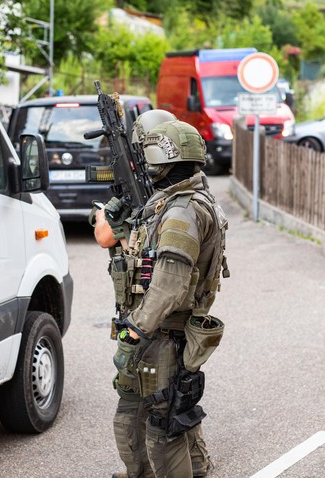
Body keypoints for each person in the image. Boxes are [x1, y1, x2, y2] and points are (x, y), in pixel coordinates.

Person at [92, 113, 228, 478]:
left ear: (160, 158)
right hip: (164, 331)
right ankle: (179, 469)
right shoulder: (176, 202)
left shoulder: (182, 212)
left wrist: (132, 334)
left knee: (160, 428)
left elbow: (169, 285)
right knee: (163, 415)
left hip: (160, 332)